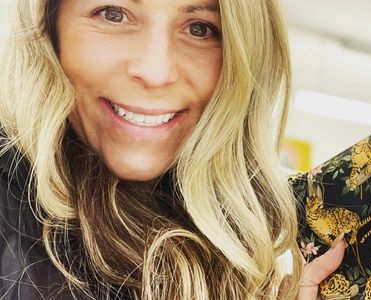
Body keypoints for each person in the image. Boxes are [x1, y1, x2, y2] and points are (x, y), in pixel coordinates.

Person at [0, 0, 344, 299]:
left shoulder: (232, 248)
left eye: (199, 28)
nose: (156, 72)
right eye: (113, 13)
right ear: (50, 26)